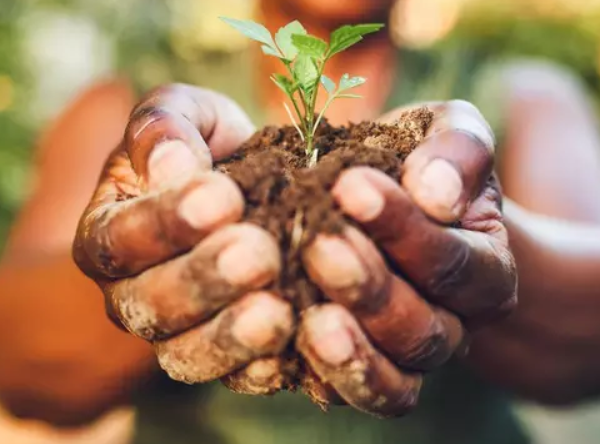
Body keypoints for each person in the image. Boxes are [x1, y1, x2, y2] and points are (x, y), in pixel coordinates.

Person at [2, 1, 600, 444]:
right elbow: (21, 367)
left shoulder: (518, 94)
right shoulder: (125, 104)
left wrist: (455, 232)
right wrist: (158, 242)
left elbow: (586, 348)